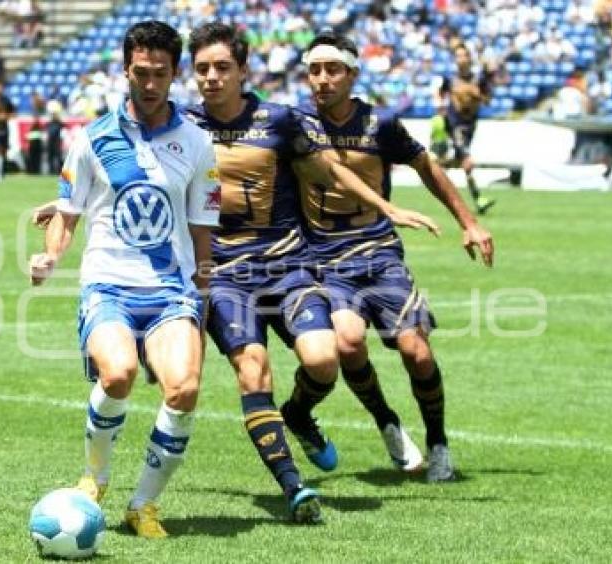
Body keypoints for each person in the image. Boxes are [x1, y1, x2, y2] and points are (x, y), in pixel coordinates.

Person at [183, 22, 439, 521]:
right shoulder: (182, 123)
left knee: (324, 361)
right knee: (252, 370)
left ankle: (298, 415)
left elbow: (330, 170)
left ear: (243, 71)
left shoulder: (280, 121)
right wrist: (71, 200)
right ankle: (294, 487)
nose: (211, 77)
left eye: (221, 67)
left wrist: (386, 208)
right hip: (226, 274)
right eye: (202, 69)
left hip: (288, 266)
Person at [28, 21, 220, 540]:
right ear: (126, 69)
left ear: (175, 73)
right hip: (109, 283)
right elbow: (67, 215)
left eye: (160, 73)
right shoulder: (92, 138)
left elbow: (202, 228)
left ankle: (144, 506)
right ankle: (95, 477)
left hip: (170, 290)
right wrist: (50, 260)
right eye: (141, 72)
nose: (150, 83)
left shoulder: (198, 144)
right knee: (118, 375)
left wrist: (202, 295)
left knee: (183, 388)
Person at [287, 31, 494, 482]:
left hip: (379, 253)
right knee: (347, 342)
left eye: (332, 70)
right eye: (314, 71)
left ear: (352, 75)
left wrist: (469, 222)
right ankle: (387, 422)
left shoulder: (380, 125)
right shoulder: (293, 124)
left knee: (416, 352)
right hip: (324, 259)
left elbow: (428, 167)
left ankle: (438, 442)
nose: (322, 80)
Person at [437, 44, 496, 215]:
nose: (461, 59)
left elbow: (488, 100)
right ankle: (478, 198)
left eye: (464, 56)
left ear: (469, 59)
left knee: (458, 162)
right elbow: (441, 93)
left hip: (470, 125)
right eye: (458, 56)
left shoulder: (479, 80)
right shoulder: (450, 78)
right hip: (454, 124)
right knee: (468, 162)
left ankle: (434, 167)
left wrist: (478, 96)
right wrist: (441, 108)